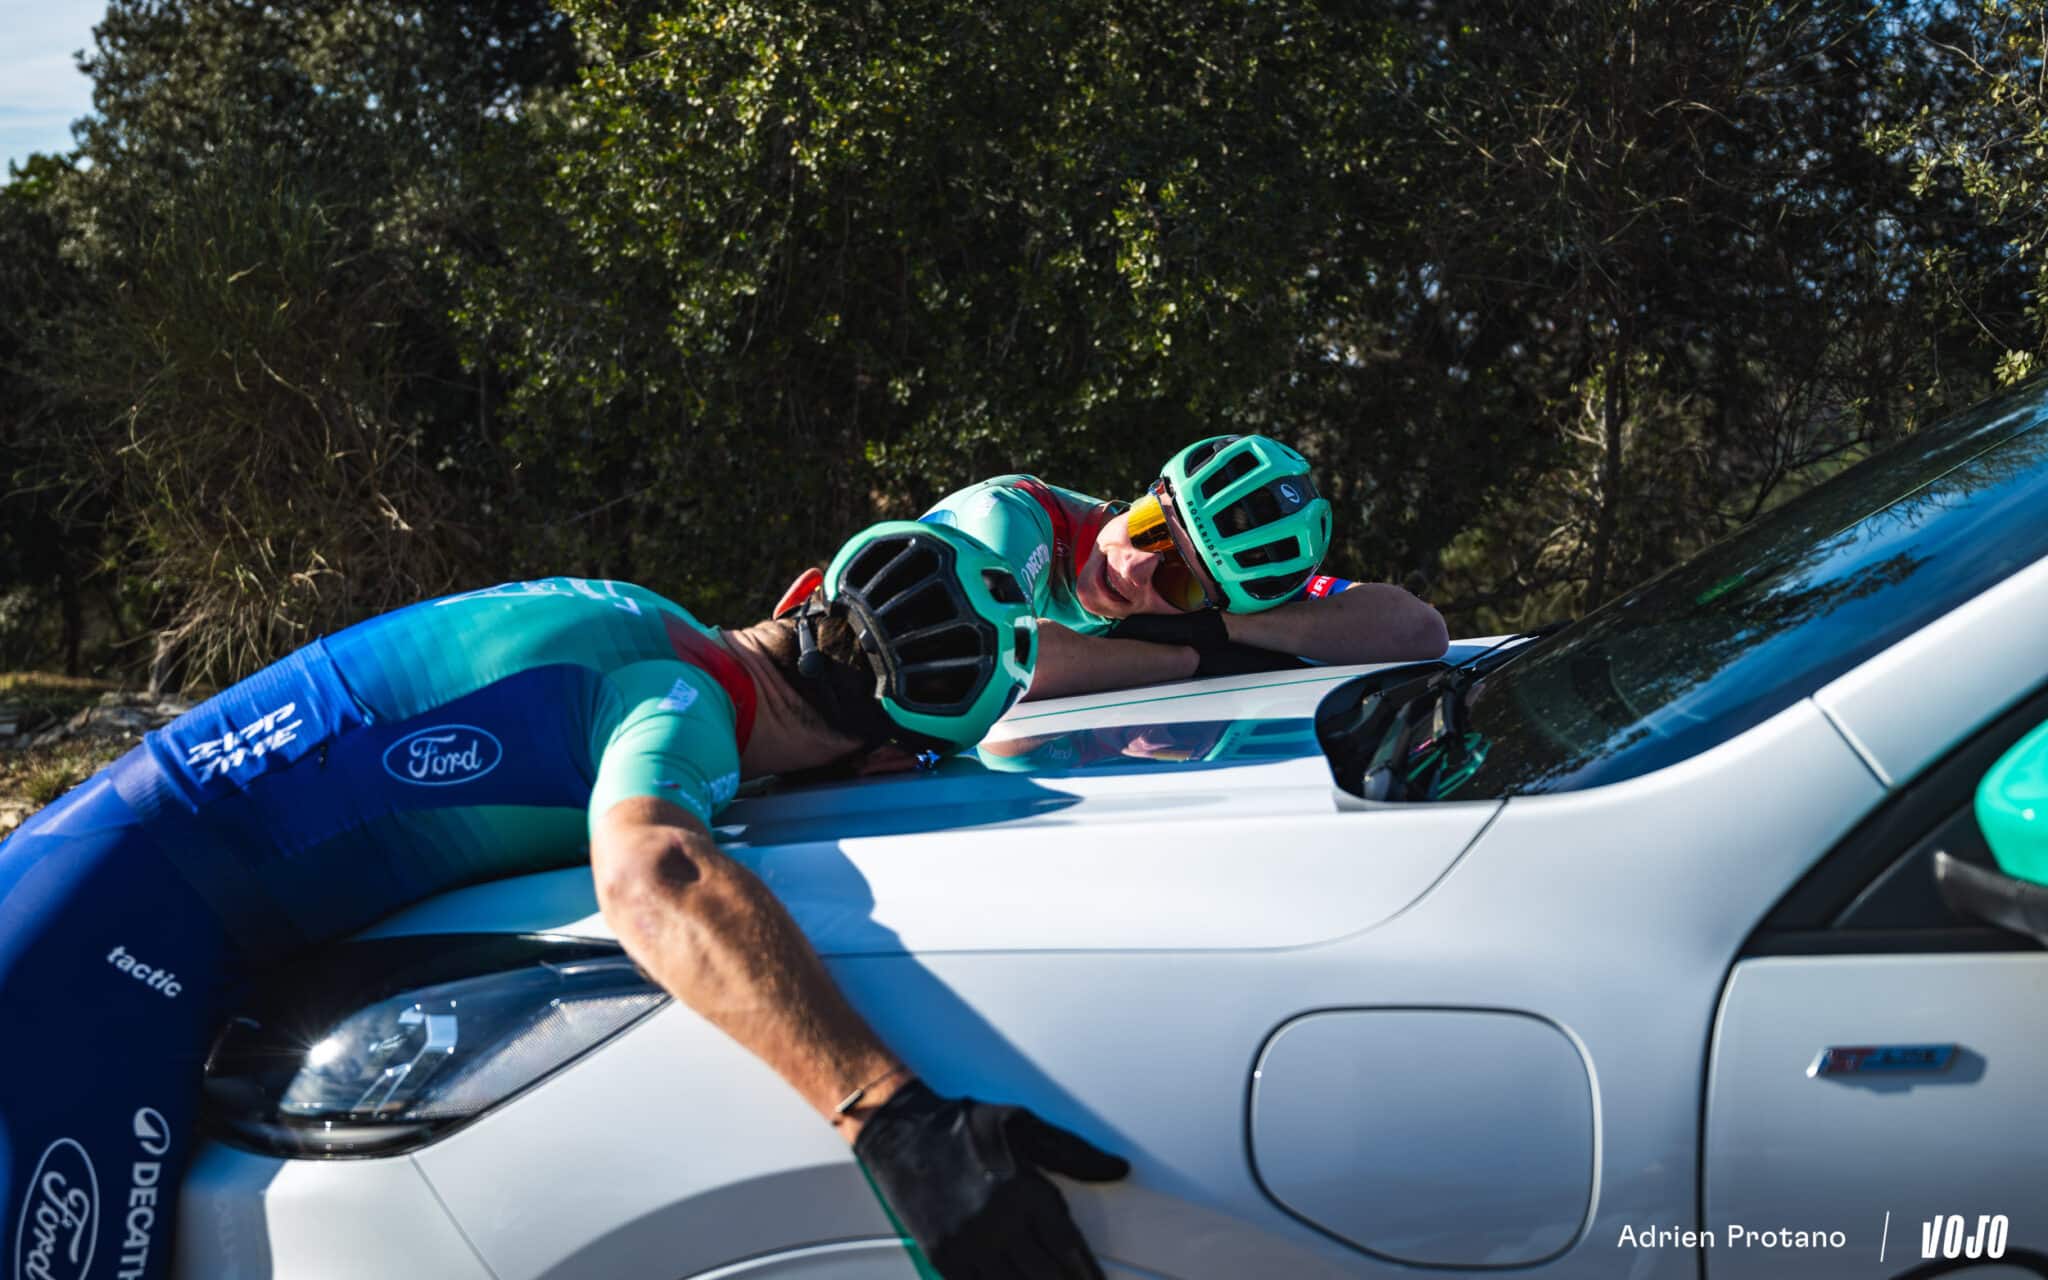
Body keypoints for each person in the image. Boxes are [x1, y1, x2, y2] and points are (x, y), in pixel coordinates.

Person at [0, 522, 1125, 1280]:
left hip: (99, 887)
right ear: (884, 759)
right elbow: (655, 873)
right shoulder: (683, 700)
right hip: (108, 942)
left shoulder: (640, 613)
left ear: (799, 594)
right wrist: (892, 1117)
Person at [922, 434, 1449, 698]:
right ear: (1150, 493)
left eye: (1179, 580)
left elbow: (1420, 630)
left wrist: (1227, 626)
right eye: (1152, 529)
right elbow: (997, 652)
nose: (1137, 568)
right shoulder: (1012, 518)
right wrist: (1186, 657)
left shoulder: (1225, 599)